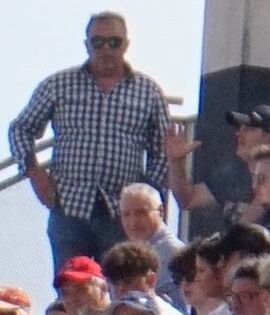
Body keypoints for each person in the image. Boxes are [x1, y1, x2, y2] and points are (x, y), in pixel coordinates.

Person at [11, 14, 173, 272]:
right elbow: (20, 128)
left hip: (121, 216)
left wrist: (143, 198)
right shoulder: (59, 84)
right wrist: (34, 172)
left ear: (126, 44)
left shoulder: (148, 91)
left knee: (122, 284)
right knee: (72, 289)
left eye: (113, 42)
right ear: (86, 45)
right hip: (69, 206)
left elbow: (163, 150)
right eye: (98, 42)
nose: (106, 49)